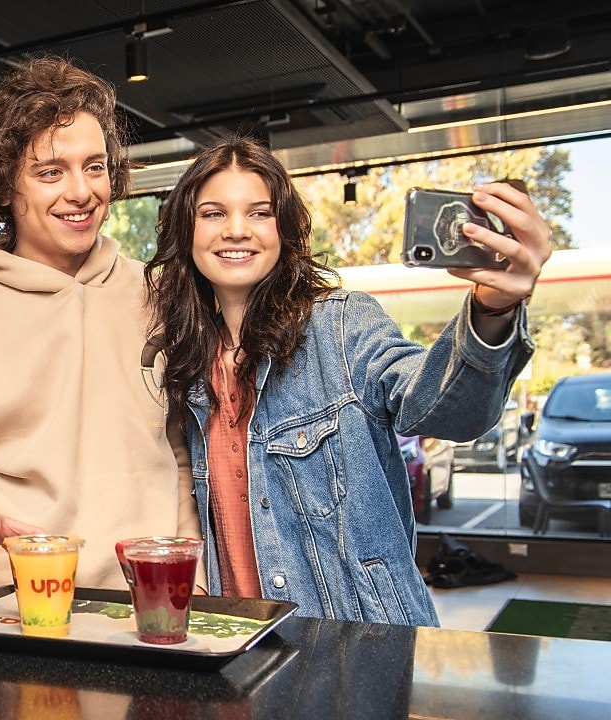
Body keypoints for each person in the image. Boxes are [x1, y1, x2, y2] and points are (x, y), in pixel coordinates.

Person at [144, 136, 551, 626]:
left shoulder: (341, 325)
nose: (236, 230)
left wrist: (494, 308)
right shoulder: (189, 365)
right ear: (187, 231)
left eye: (259, 213)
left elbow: (448, 411)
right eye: (213, 213)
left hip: (361, 643)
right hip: (241, 640)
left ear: (284, 229)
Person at [0, 55, 200, 605]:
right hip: (17, 611)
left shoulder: (155, 297)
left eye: (94, 167)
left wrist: (194, 578)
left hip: (148, 609)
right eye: (51, 172)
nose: (81, 192)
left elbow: (179, 454)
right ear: (5, 186)